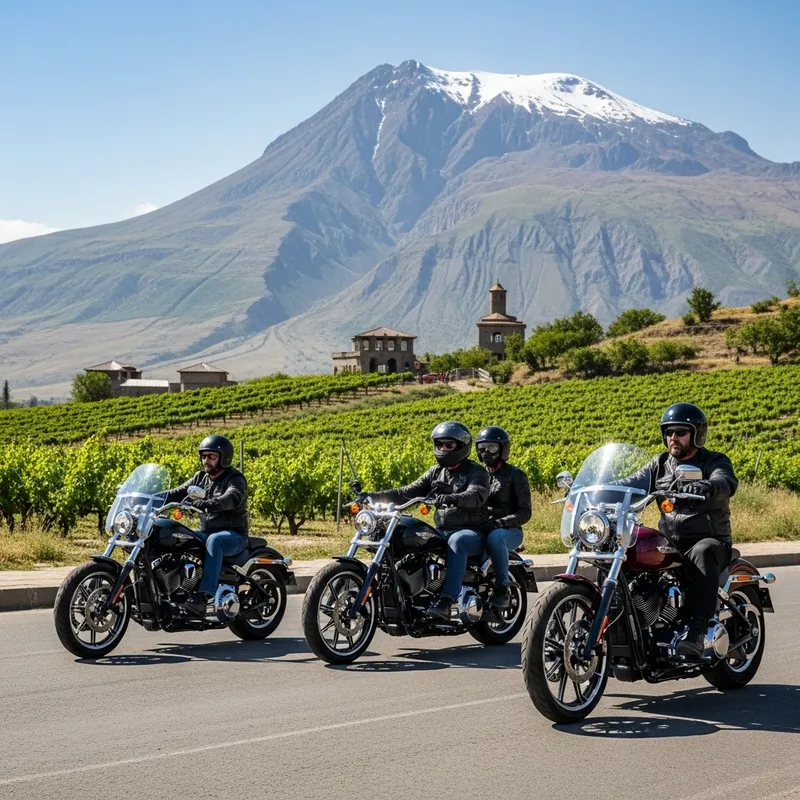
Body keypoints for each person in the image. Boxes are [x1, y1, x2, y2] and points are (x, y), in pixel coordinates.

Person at [616, 403, 738, 658]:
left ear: (696, 434)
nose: (674, 437)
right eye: (669, 432)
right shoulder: (659, 464)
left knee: (703, 552)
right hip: (670, 543)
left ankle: (696, 632)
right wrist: (599, 489)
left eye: (681, 432)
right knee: (626, 552)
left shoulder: (713, 460)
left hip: (709, 540)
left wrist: (709, 486)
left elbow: (725, 480)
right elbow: (631, 483)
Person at [362, 421, 490, 621]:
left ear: (462, 446)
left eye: (449, 445)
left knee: (457, 541)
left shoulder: (477, 471)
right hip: (443, 530)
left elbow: (477, 494)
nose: (443, 449)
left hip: (472, 531)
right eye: (440, 445)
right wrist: (372, 496)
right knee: (408, 537)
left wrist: (454, 497)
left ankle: (446, 602)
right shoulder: (435, 472)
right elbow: (407, 492)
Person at [161, 434, 249, 616]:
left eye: (211, 456)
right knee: (176, 535)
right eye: (204, 456)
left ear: (224, 458)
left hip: (233, 535)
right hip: (206, 532)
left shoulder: (235, 478)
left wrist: (210, 503)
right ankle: (176, 590)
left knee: (215, 541)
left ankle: (204, 596)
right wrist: (152, 497)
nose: (206, 460)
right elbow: (177, 492)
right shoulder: (200, 477)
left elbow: (232, 497)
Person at [475, 426, 532, 610]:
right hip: (482, 526)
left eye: (491, 447)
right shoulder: (477, 474)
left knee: (495, 537)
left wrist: (500, 523)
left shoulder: (516, 475)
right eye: (482, 448)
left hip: (509, 530)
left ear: (502, 449)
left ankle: (503, 589)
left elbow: (525, 512)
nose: (486, 452)